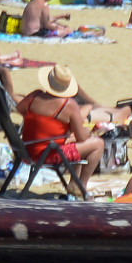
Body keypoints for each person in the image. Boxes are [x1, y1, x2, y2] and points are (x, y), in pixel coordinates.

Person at [18, 67, 99, 197]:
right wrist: (86, 132)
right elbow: (82, 137)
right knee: (97, 144)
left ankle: (74, 183)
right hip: (48, 153)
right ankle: (80, 185)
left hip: (27, 149)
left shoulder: (35, 96)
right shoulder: (68, 104)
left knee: (73, 140)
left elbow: (20, 108)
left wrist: (40, 124)